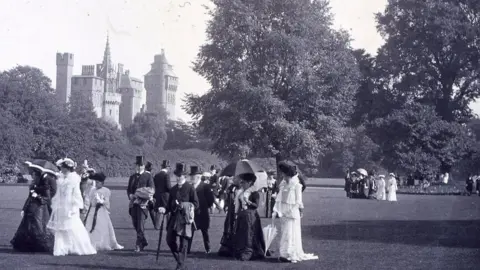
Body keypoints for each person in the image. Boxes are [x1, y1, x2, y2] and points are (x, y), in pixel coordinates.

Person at [47, 158, 97, 256]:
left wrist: (74, 207)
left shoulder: (74, 179)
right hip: (61, 206)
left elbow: (77, 194)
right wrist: (55, 203)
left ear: (69, 168)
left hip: (70, 206)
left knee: (73, 227)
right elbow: (58, 193)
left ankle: (81, 247)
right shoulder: (60, 178)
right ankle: (60, 249)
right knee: (60, 228)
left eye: (64, 168)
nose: (62, 170)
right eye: (61, 168)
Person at [272, 161, 318, 263]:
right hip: (283, 211)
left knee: (291, 232)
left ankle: (289, 254)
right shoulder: (283, 184)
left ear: (287, 174)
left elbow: (298, 201)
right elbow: (280, 197)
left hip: (292, 212)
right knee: (285, 232)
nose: (282, 175)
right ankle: (284, 253)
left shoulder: (297, 185)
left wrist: (298, 210)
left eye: (283, 173)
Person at [159, 163, 199, 270]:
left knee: (183, 244)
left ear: (184, 176)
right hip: (173, 218)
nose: (178, 178)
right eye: (177, 176)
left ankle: (180, 266)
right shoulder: (173, 189)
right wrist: (164, 209)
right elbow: (168, 205)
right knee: (169, 240)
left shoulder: (190, 188)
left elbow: (196, 204)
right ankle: (180, 261)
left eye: (180, 176)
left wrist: (184, 205)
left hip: (185, 220)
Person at [10, 162, 55, 253]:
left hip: (39, 209)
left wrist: (37, 196)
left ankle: (39, 247)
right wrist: (24, 208)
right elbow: (29, 197)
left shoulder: (45, 183)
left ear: (38, 174)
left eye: (34, 174)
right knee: (28, 228)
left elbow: (46, 198)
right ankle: (28, 247)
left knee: (38, 228)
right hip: (31, 208)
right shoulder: (34, 183)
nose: (32, 175)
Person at [84, 172, 123, 251]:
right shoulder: (92, 190)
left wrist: (101, 201)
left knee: (101, 226)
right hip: (92, 210)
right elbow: (90, 201)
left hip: (101, 211)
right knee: (89, 226)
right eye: (96, 182)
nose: (97, 184)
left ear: (102, 183)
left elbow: (107, 203)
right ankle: (90, 242)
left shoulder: (105, 190)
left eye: (98, 183)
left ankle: (100, 243)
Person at [232, 172, 267, 261]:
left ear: (249, 183)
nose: (242, 184)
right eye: (241, 182)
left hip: (251, 216)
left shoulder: (254, 193)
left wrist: (248, 201)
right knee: (241, 233)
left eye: (243, 182)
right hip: (242, 215)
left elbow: (256, 205)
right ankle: (241, 249)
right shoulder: (241, 192)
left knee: (249, 234)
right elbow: (238, 204)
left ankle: (249, 251)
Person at [127, 156, 154, 252]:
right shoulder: (132, 177)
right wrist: (130, 195)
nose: (139, 167)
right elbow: (129, 189)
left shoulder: (148, 176)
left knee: (140, 225)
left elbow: (151, 189)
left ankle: (138, 245)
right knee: (135, 224)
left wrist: (142, 195)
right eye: (137, 165)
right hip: (133, 204)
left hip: (143, 205)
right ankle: (144, 241)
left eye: (141, 165)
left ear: (144, 166)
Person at [187, 166, 215, 254]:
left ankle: (208, 248)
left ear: (198, 176)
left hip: (202, 213)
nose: (191, 178)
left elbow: (210, 199)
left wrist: (207, 206)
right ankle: (187, 249)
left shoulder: (205, 186)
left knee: (205, 232)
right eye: (191, 176)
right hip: (192, 214)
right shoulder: (189, 187)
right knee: (190, 232)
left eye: (193, 176)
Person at [218, 176, 239, 257]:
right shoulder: (231, 188)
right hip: (230, 212)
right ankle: (228, 248)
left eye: (235, 178)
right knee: (229, 228)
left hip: (238, 211)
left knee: (236, 228)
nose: (234, 180)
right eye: (233, 178)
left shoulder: (242, 188)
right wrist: (226, 206)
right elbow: (227, 198)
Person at [153, 159, 171, 229]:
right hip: (165, 196)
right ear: (167, 167)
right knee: (168, 211)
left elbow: (154, 185)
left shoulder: (156, 175)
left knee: (158, 211)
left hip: (158, 195)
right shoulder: (167, 175)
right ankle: (168, 225)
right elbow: (168, 186)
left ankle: (157, 226)